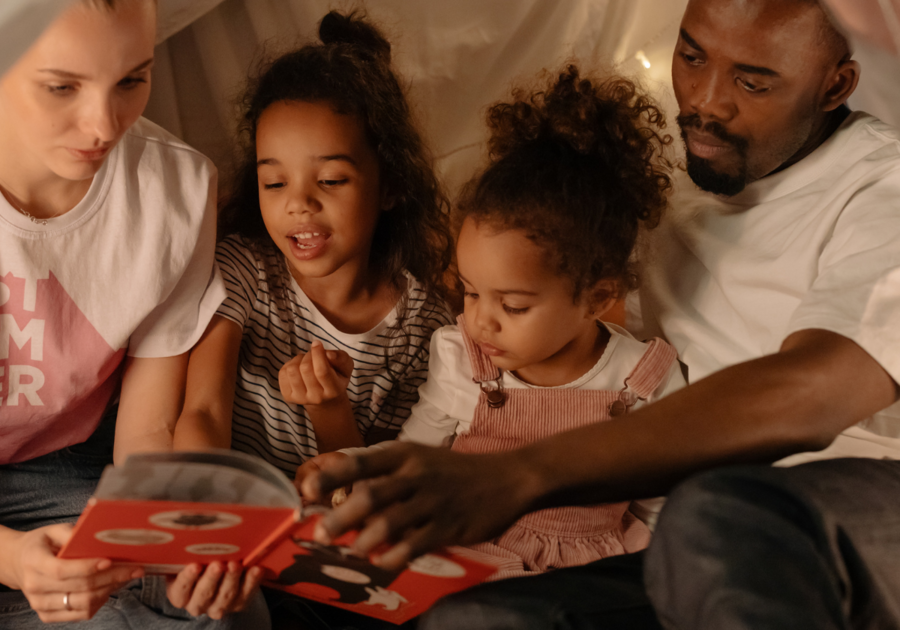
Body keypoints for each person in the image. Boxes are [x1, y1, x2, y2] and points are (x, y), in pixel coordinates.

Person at [301, 0, 900, 627]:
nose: (706, 100)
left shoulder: (878, 187)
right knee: (472, 621)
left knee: (714, 516)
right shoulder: (663, 166)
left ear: (836, 84)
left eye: (752, 81)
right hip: (678, 525)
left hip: (825, 514)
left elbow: (813, 392)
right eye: (691, 56)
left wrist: (521, 474)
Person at [299, 66, 685, 582]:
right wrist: (350, 463)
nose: (480, 320)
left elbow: (662, 509)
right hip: (465, 554)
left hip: (585, 575)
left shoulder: (643, 380)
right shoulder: (463, 358)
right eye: (470, 291)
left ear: (597, 298)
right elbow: (415, 453)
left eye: (514, 306)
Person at [0, 0, 268, 626]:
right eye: (61, 87)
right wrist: (13, 560)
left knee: (219, 605)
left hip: (65, 470)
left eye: (131, 80)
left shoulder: (175, 192)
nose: (102, 125)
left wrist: (177, 532)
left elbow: (146, 436)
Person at [173, 11, 454, 484]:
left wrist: (329, 408)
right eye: (275, 182)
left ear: (390, 186)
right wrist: (211, 508)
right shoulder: (242, 270)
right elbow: (202, 412)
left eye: (330, 180)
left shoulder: (423, 329)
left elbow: (371, 482)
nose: (299, 204)